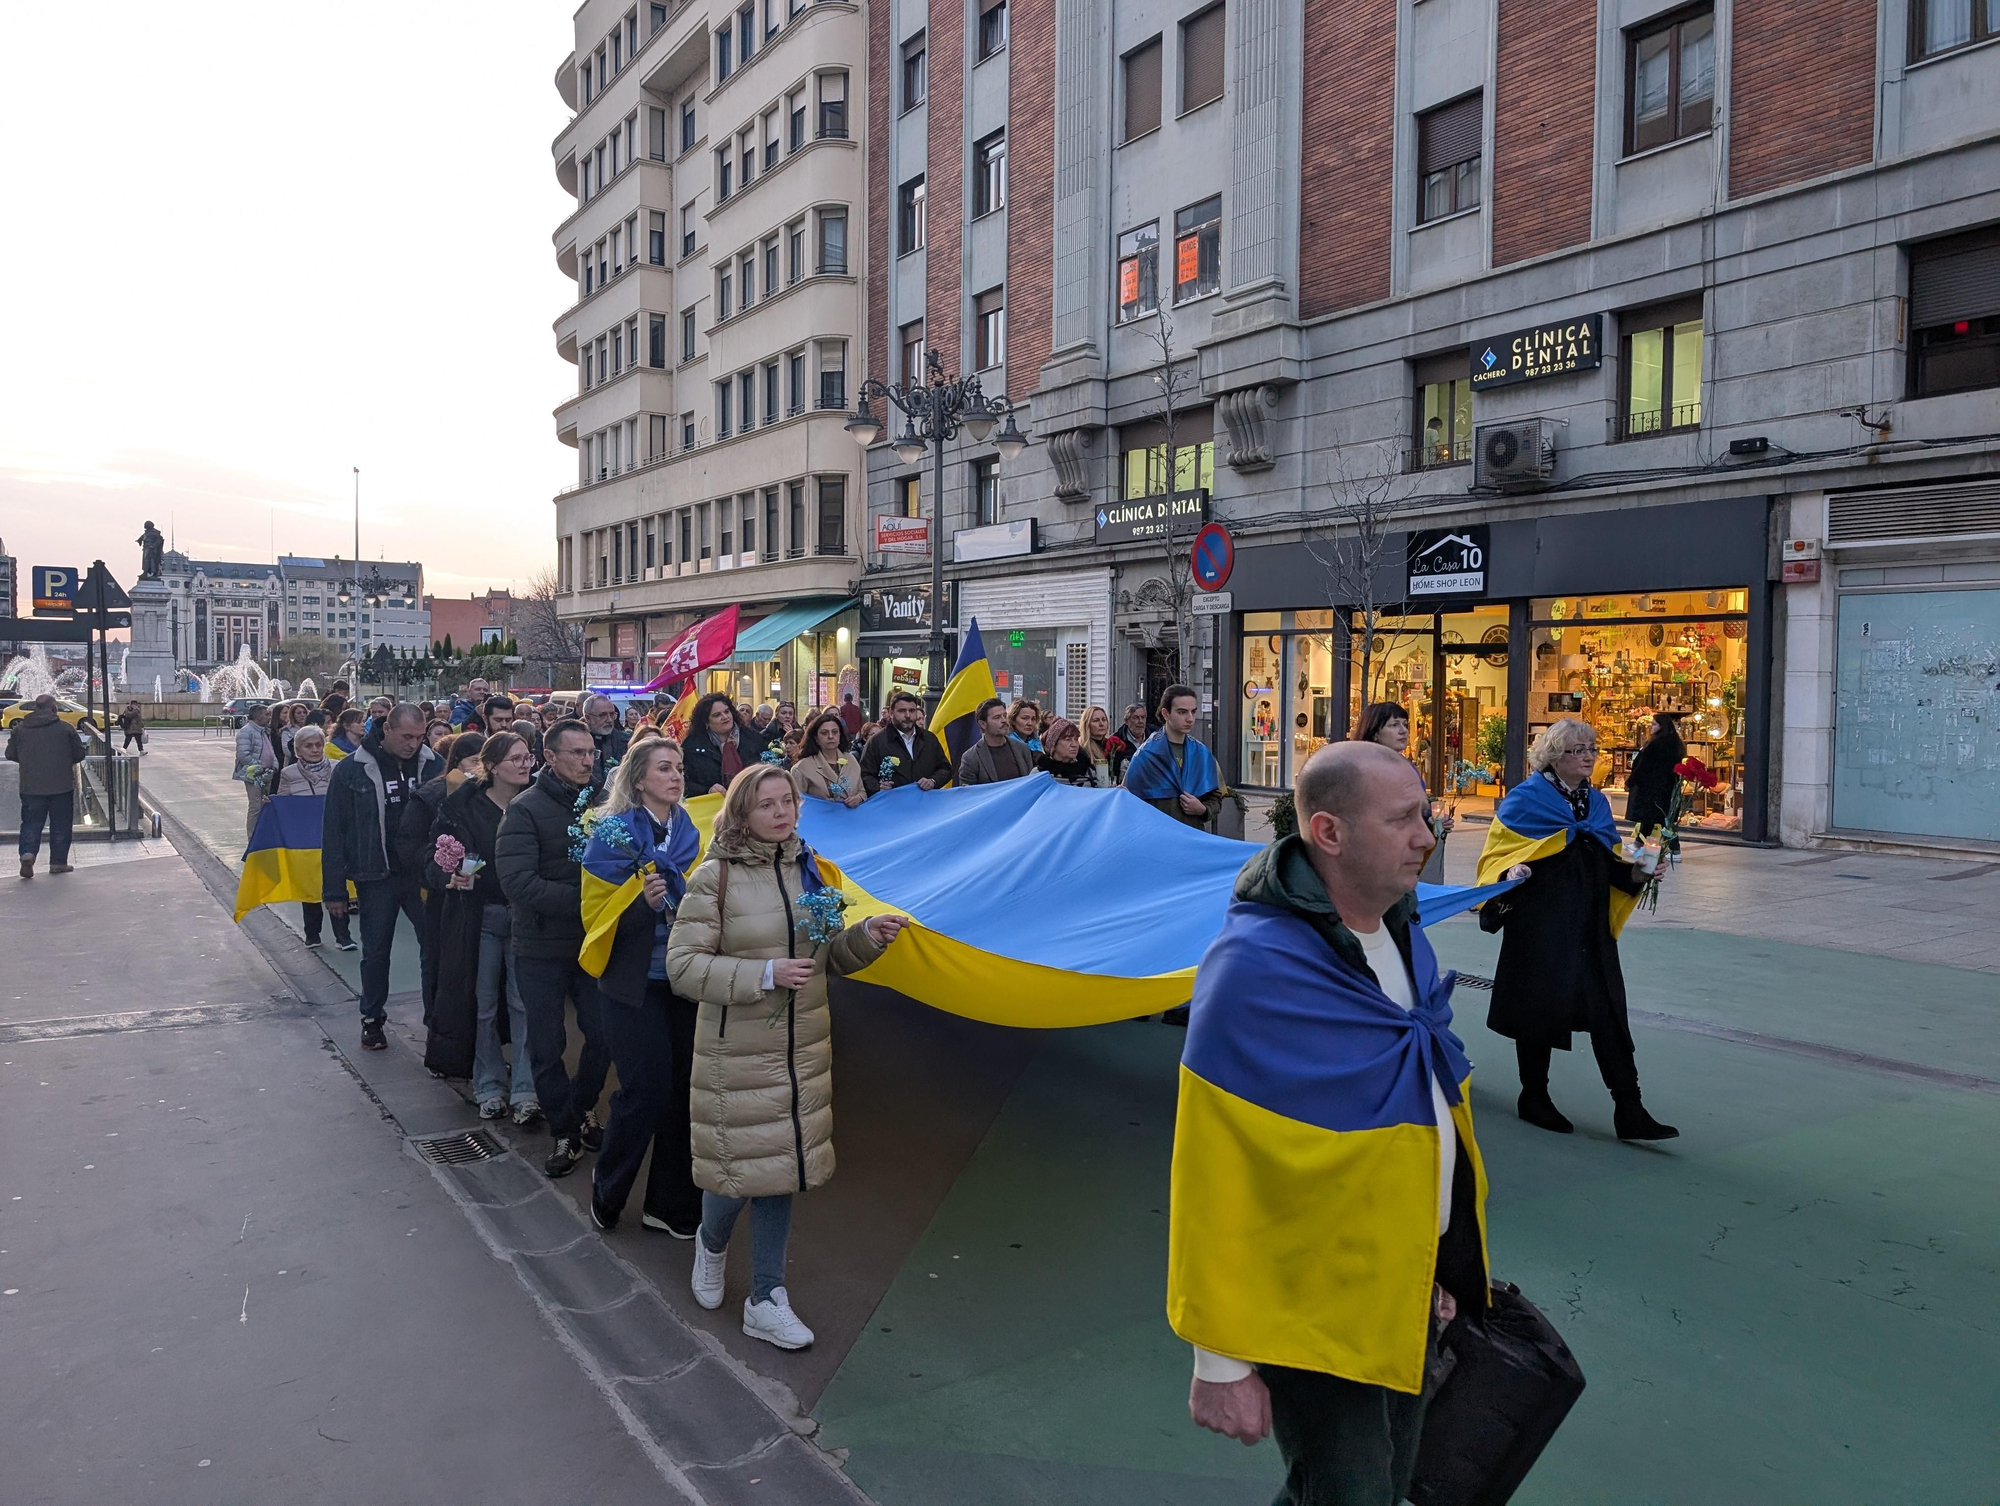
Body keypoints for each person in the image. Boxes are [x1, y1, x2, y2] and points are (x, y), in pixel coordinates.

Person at [1172, 741, 1492, 1505]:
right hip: (1314, 1302)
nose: (1428, 836)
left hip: (1401, 1281)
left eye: (1427, 813)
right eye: (1405, 819)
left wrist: (1442, 1265)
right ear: (1329, 832)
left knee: (1378, 1483)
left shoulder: (1400, 929)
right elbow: (1214, 1173)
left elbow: (1422, 1101)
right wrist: (1219, 1362)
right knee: (1352, 1492)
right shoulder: (1254, 968)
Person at [667, 765, 910, 1349]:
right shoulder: (713, 878)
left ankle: (766, 1298)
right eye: (767, 804)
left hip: (803, 1050)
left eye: (788, 802)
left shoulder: (811, 870)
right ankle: (711, 1242)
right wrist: (764, 974)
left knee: (781, 1173)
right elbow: (682, 967)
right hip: (738, 1053)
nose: (782, 813)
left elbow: (828, 959)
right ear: (742, 814)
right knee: (733, 1172)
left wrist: (865, 939)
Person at [1476, 717, 1677, 1141]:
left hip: (1589, 928)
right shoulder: (1524, 800)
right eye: (1577, 750)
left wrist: (1642, 871)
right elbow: (1496, 859)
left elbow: (1611, 864)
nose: (1588, 756)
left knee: (1609, 1014)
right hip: (1540, 927)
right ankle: (1534, 1097)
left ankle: (1630, 1107)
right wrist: (1513, 870)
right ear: (1553, 755)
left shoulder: (1598, 803)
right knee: (1538, 1011)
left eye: (1592, 748)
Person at [583, 738, 706, 1237]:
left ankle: (669, 1206)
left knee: (682, 1093)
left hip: (682, 978)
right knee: (644, 1090)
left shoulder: (691, 833)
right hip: (632, 984)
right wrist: (640, 902)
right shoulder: (610, 836)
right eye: (663, 769)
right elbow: (593, 916)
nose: (676, 776)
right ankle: (608, 1189)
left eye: (678, 767)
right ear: (638, 780)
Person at [495, 717, 612, 1177]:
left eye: (591, 753)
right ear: (550, 757)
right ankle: (563, 1129)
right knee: (546, 1044)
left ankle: (583, 1106)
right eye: (577, 754)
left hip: (595, 944)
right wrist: (589, 902)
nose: (587, 761)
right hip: (541, 944)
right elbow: (518, 883)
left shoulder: (605, 803)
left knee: (603, 1035)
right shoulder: (525, 810)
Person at [429, 731, 540, 1122]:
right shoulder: (464, 806)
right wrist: (453, 875)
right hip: (482, 914)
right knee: (482, 1004)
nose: (526, 765)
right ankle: (489, 1082)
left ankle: (526, 1088)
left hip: (526, 916)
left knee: (522, 1003)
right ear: (491, 766)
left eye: (528, 757)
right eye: (516, 759)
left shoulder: (535, 803)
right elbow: (439, 857)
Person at [322, 704, 442, 1052]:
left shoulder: (433, 765)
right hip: (375, 874)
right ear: (385, 729)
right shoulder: (351, 771)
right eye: (406, 737)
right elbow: (334, 832)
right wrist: (334, 890)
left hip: (422, 875)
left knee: (434, 949)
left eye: (419, 737)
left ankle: (436, 1022)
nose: (413, 744)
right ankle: (372, 1019)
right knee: (376, 952)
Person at [400, 731, 486, 1026]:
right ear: (457, 761)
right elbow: (410, 846)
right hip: (437, 894)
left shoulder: (489, 794)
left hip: (477, 896)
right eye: (475, 761)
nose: (480, 768)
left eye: (485, 761)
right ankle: (435, 1022)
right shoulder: (432, 795)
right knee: (436, 959)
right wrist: (441, 872)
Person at [1355, 702, 1454, 885]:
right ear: (1375, 732)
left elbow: (1419, 804)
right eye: (1394, 725)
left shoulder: (1406, 765)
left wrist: (1433, 819)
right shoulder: (1362, 767)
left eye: (1405, 724)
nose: (1403, 731)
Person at [275, 725, 353, 950]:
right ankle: (312, 934)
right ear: (298, 750)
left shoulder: (338, 768)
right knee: (309, 886)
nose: (315, 749)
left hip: (335, 838)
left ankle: (343, 935)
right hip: (305, 840)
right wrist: (273, 805)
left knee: (337, 884)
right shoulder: (288, 774)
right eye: (309, 746)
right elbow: (284, 803)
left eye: (319, 745)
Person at [8, 694, 88, 878]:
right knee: (60, 823)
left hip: (30, 786)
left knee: (30, 823)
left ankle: (28, 854)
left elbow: (10, 753)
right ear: (54, 709)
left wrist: (29, 760)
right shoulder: (65, 729)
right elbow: (78, 755)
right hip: (61, 785)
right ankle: (58, 863)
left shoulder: (20, 729)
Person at [1123, 685, 1223, 829]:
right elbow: (1130, 800)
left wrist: (1203, 809)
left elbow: (1215, 797)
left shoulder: (1201, 753)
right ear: (1166, 713)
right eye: (1182, 712)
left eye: (1193, 712)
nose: (1190, 718)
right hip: (1159, 838)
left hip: (1192, 837)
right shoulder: (1147, 754)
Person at [681, 692, 774, 795]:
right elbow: (683, 781)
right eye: (717, 715)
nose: (725, 717)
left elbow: (769, 771)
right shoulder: (692, 745)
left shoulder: (754, 739)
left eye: (727, 711)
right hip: (712, 806)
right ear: (706, 721)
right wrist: (707, 789)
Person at [859, 691, 951, 794]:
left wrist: (933, 781)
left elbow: (946, 769)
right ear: (891, 712)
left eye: (912, 711)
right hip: (892, 804)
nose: (907, 715)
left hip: (926, 804)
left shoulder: (929, 739)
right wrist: (878, 787)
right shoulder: (876, 742)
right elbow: (864, 775)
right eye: (902, 711)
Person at [1625, 712, 1686, 853]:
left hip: (1652, 786)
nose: (1651, 727)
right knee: (1660, 817)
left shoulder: (1656, 744)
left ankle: (1673, 848)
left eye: (1654, 724)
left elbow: (1644, 765)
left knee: (1656, 816)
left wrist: (1632, 780)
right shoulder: (1675, 744)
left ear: (1661, 726)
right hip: (1667, 786)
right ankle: (1640, 843)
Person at [792, 711, 867, 806]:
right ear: (816, 738)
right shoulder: (802, 768)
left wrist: (859, 798)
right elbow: (795, 803)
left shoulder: (851, 759)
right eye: (824, 733)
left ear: (840, 734)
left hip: (850, 817)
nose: (831, 736)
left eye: (835, 732)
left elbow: (862, 791)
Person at [958, 698, 1039, 785]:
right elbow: (969, 794)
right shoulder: (971, 758)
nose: (1004, 720)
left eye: (1004, 715)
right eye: (997, 717)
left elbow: (1030, 784)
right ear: (983, 724)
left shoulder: (1022, 749)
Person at [234, 703, 277, 843]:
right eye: (266, 714)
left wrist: (274, 765)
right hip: (253, 775)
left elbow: (270, 750)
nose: (269, 717)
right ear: (258, 716)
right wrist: (259, 767)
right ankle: (252, 837)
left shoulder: (263, 731)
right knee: (255, 806)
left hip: (266, 773)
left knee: (264, 804)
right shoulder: (247, 731)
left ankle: (263, 834)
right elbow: (243, 755)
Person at [1036, 718, 1100, 786]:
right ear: (1053, 745)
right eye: (1067, 739)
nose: (1074, 745)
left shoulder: (1089, 772)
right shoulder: (1039, 774)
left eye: (1076, 739)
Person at [1107, 703, 1150, 784]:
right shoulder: (1116, 741)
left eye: (1143, 717)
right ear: (1126, 721)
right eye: (1136, 718)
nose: (1140, 721)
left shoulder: (1155, 736)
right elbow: (1113, 772)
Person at [1080, 706, 1113, 785]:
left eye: (1104, 720)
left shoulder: (1112, 746)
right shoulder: (1081, 749)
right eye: (1096, 720)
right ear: (1087, 724)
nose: (1101, 724)